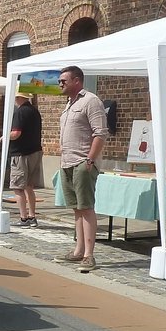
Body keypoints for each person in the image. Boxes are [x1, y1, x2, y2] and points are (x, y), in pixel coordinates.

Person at [55, 65, 108, 272]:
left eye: (64, 81)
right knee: (76, 208)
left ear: (77, 81)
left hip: (82, 163)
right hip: (67, 162)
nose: (60, 84)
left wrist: (90, 160)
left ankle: (89, 255)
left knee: (86, 207)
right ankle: (79, 250)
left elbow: (100, 133)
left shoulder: (91, 101)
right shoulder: (69, 104)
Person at [6, 92, 43, 228]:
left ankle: (23, 218)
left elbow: (16, 133)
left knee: (18, 187)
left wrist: (5, 136)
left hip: (21, 154)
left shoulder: (20, 112)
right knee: (29, 187)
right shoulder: (35, 111)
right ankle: (32, 216)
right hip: (35, 151)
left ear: (18, 97)